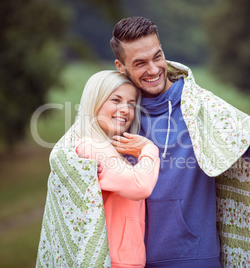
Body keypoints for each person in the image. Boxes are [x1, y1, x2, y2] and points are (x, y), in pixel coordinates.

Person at [109, 17, 250, 268]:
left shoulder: (200, 105)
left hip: (194, 257)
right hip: (129, 260)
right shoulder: (117, 113)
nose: (153, 69)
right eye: (140, 63)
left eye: (157, 56)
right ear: (121, 67)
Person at [36, 71, 160, 268]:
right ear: (95, 102)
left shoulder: (104, 147)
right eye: (116, 100)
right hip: (113, 261)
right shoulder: (93, 146)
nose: (125, 110)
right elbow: (140, 186)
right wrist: (149, 149)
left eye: (131, 104)